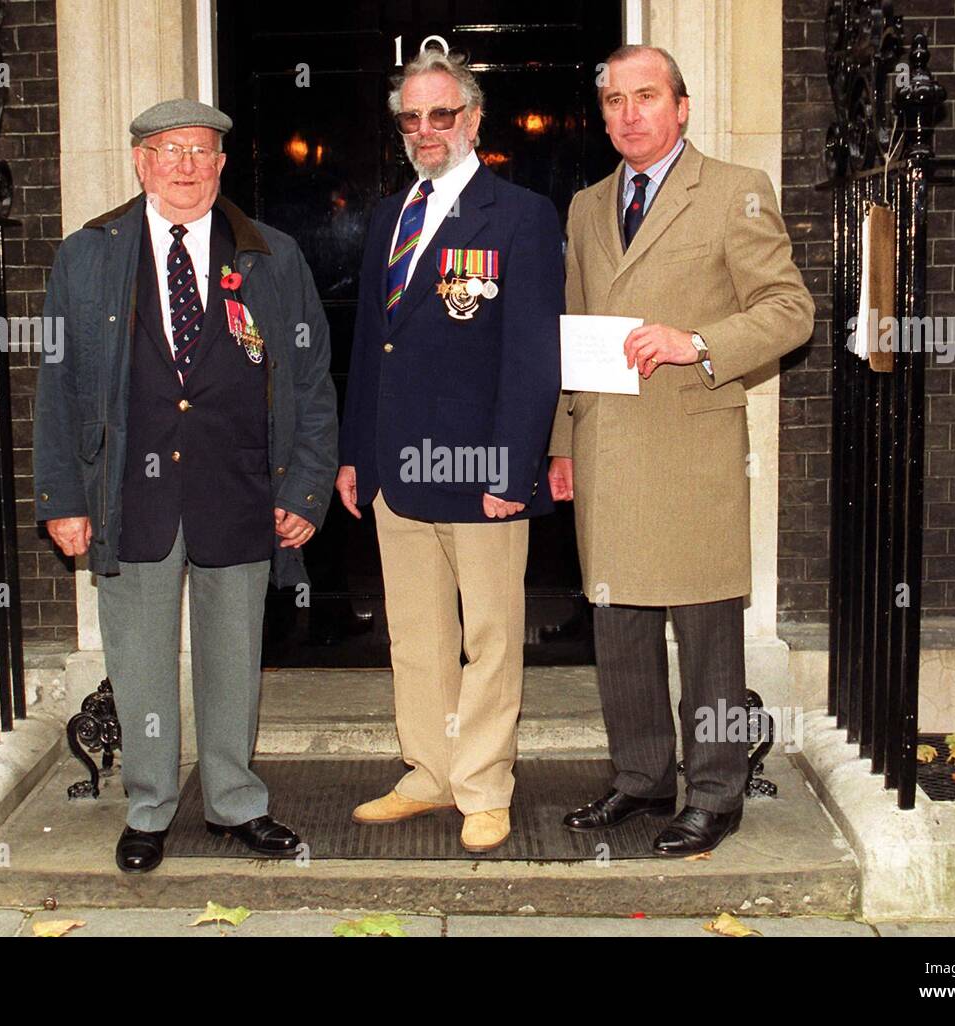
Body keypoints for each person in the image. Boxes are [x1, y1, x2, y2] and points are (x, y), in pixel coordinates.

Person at [33, 99, 338, 873]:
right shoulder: (87, 255)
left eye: (201, 151)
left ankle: (235, 801)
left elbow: (309, 380)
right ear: (141, 162)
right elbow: (57, 383)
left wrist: (304, 489)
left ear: (222, 164)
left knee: (233, 654)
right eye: (170, 151)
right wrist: (62, 498)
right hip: (128, 492)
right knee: (139, 658)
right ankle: (149, 807)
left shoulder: (271, 255)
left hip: (239, 486)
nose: (187, 166)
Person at [548, 45, 814, 856]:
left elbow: (790, 310)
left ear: (682, 106)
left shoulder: (735, 190)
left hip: (690, 448)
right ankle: (641, 777)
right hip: (605, 445)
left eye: (647, 96)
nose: (630, 114)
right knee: (620, 626)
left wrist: (693, 341)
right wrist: (562, 443)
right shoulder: (586, 206)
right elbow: (573, 326)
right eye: (615, 101)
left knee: (706, 633)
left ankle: (717, 792)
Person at [336, 49, 564, 853]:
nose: (426, 130)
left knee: (491, 636)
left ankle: (484, 784)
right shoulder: (390, 216)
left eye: (441, 114)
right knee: (417, 633)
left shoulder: (522, 215)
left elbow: (533, 355)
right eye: (411, 118)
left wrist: (512, 467)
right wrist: (355, 453)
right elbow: (372, 345)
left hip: (480, 473)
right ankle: (429, 771)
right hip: (396, 470)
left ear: (473, 119)